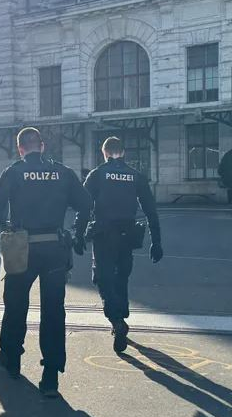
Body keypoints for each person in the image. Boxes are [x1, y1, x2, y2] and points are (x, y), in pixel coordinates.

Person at [0, 127, 91, 398]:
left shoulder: (14, 172)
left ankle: (11, 359)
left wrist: (5, 225)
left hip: (23, 247)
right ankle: (51, 375)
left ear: (20, 148)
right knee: (53, 311)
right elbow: (86, 203)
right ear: (41, 146)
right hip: (55, 247)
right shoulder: (63, 172)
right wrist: (78, 233)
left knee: (16, 305)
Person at [73, 137, 163, 354]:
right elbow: (151, 209)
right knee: (122, 276)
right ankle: (121, 315)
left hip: (104, 234)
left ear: (104, 153)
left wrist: (78, 234)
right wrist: (157, 241)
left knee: (102, 277)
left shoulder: (97, 174)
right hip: (128, 234)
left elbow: (83, 206)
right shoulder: (135, 176)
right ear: (123, 152)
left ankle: (116, 321)